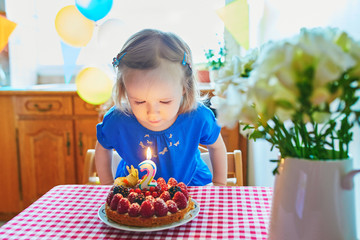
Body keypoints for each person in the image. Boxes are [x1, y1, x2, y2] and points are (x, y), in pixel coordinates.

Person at [95, 29, 227, 186]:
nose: (152, 114)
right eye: (139, 101)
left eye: (165, 101)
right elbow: (102, 148)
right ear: (124, 89)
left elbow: (217, 146)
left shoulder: (198, 116)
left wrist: (220, 183)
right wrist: (106, 184)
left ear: (185, 87)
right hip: (135, 190)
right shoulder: (118, 120)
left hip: (192, 185)